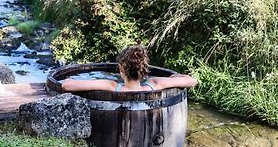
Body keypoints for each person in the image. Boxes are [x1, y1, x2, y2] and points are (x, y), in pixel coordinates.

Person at [61, 45, 197, 92]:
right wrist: (174, 77)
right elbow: (192, 81)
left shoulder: (112, 86)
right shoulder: (154, 84)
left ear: (121, 68)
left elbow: (66, 85)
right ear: (144, 69)